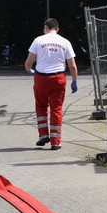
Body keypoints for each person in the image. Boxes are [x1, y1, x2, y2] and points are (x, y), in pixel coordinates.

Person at [24, 18, 79, 150]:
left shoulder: (38, 40)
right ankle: (56, 141)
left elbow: (29, 62)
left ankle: (43, 135)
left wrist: (29, 69)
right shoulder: (65, 42)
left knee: (41, 106)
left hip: (41, 78)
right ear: (57, 29)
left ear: (45, 27)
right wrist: (74, 81)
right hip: (58, 78)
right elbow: (72, 65)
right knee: (56, 109)